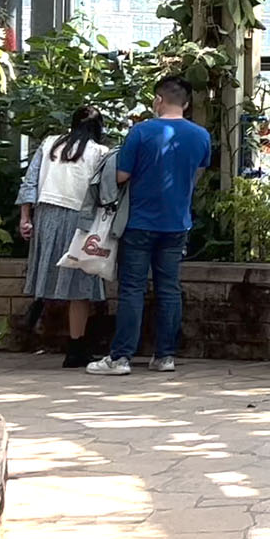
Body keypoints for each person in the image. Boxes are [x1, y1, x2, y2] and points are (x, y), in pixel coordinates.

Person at [87, 77, 212, 378]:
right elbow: (198, 173)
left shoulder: (141, 131)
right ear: (186, 103)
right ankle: (165, 356)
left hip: (140, 222)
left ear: (158, 100)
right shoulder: (201, 136)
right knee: (169, 288)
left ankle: (121, 358)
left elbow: (120, 176)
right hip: (177, 222)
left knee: (132, 288)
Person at [16, 105, 111, 369]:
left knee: (49, 276)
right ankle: (76, 346)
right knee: (79, 286)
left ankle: (36, 313)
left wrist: (26, 218)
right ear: (98, 129)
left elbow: (30, 182)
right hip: (79, 218)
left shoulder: (49, 145)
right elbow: (103, 191)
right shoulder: (99, 152)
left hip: (45, 215)